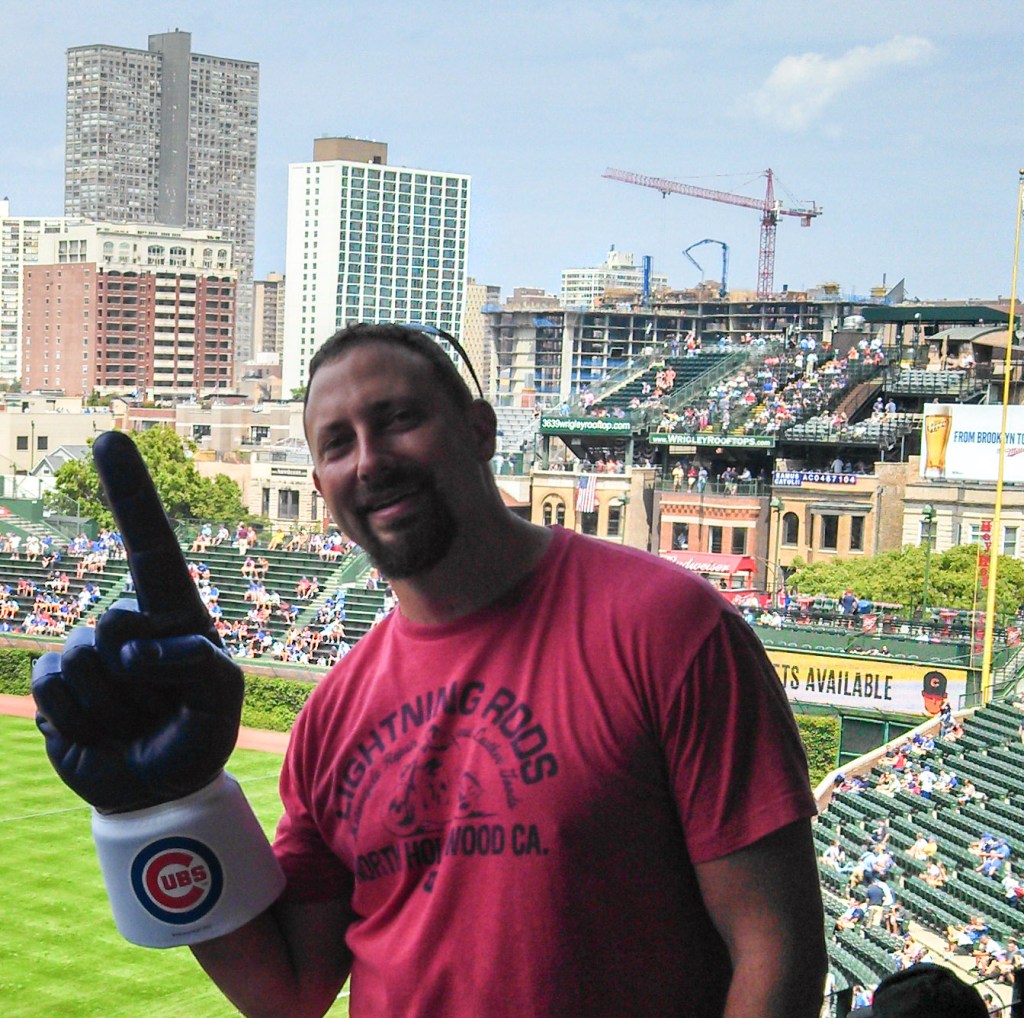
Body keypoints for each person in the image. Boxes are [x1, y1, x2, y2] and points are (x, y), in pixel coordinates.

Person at [32, 324, 826, 1017]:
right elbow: (288, 993)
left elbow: (776, 950)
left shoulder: (667, 626)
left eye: (399, 419)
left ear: (480, 430)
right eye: (337, 444)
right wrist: (167, 813)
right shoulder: (333, 715)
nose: (369, 460)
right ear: (320, 487)